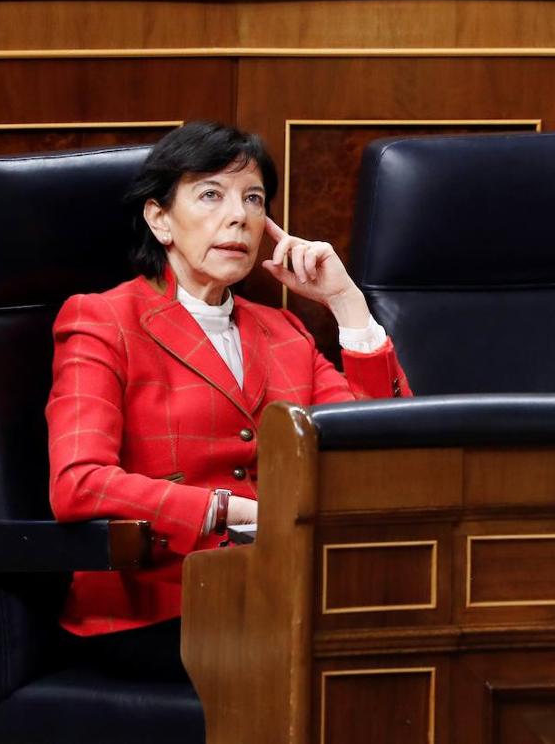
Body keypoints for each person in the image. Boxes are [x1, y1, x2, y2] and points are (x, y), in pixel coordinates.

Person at [45, 121, 411, 679]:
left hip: (282, 598)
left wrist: (346, 303)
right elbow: (79, 484)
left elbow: (383, 454)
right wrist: (231, 511)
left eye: (254, 199)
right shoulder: (102, 321)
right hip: (158, 611)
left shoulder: (284, 330)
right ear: (159, 218)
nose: (239, 216)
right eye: (211, 194)